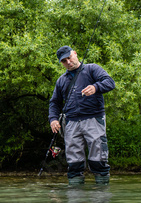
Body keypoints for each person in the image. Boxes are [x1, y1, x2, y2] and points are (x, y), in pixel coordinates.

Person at [49, 45, 115, 185]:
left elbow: (110, 82)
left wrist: (96, 87)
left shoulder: (92, 69)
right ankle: (76, 194)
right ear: (61, 63)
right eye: (64, 61)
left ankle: (101, 194)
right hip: (71, 123)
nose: (68, 62)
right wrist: (53, 119)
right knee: (74, 162)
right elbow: (54, 102)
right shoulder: (61, 80)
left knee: (98, 159)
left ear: (75, 53)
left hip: (93, 119)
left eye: (69, 57)